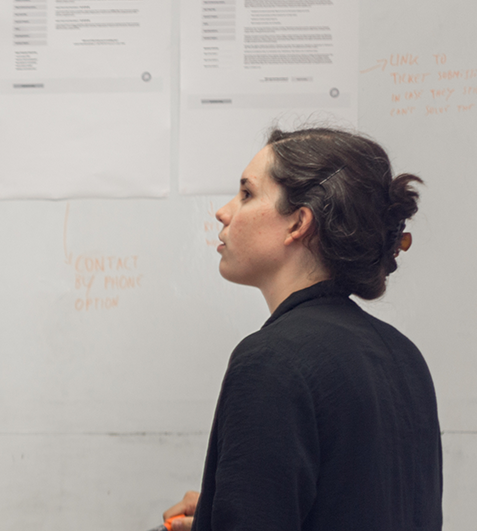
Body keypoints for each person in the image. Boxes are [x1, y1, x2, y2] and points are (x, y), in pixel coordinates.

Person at [160, 127, 441, 531]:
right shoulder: (404, 356)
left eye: (247, 194)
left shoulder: (271, 361)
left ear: (299, 223)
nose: (224, 212)